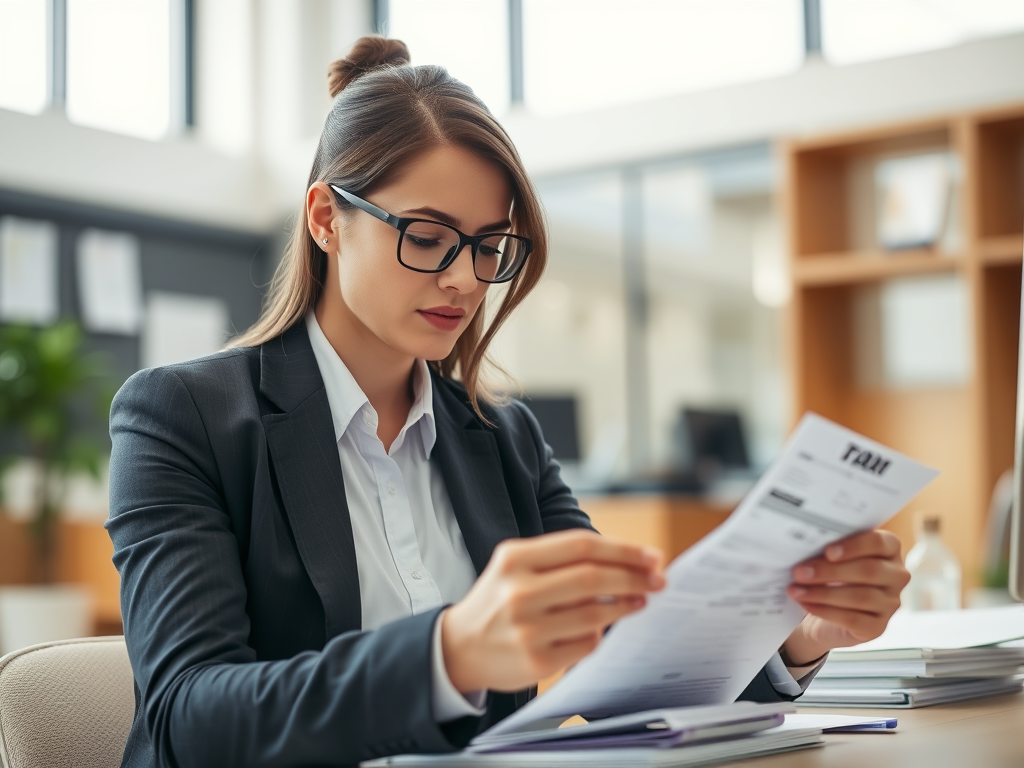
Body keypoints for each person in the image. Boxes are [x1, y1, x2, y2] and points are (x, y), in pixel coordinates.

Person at [106, 36, 911, 768]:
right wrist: (446, 656)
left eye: (490, 246)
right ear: (326, 220)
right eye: (427, 235)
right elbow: (188, 721)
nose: (464, 278)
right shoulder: (183, 419)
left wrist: (800, 638)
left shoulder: (501, 438)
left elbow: (638, 674)